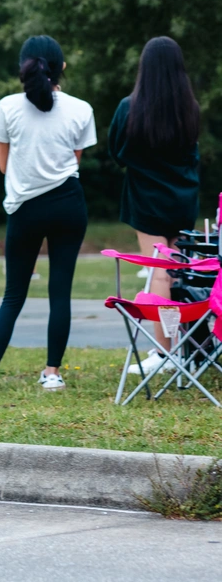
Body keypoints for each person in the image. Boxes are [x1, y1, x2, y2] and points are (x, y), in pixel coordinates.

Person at [0, 36, 95, 393]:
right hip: (69, 206)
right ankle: (52, 373)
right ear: (62, 69)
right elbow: (74, 163)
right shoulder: (81, 109)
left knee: (14, 294)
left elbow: (2, 165)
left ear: (23, 68)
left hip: (25, 208)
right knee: (60, 292)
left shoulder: (7, 107)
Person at [109, 36, 201, 374]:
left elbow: (117, 152)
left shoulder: (129, 108)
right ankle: (179, 348)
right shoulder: (189, 108)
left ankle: (165, 354)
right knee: (176, 275)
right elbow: (193, 155)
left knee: (158, 272)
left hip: (147, 201)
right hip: (182, 200)